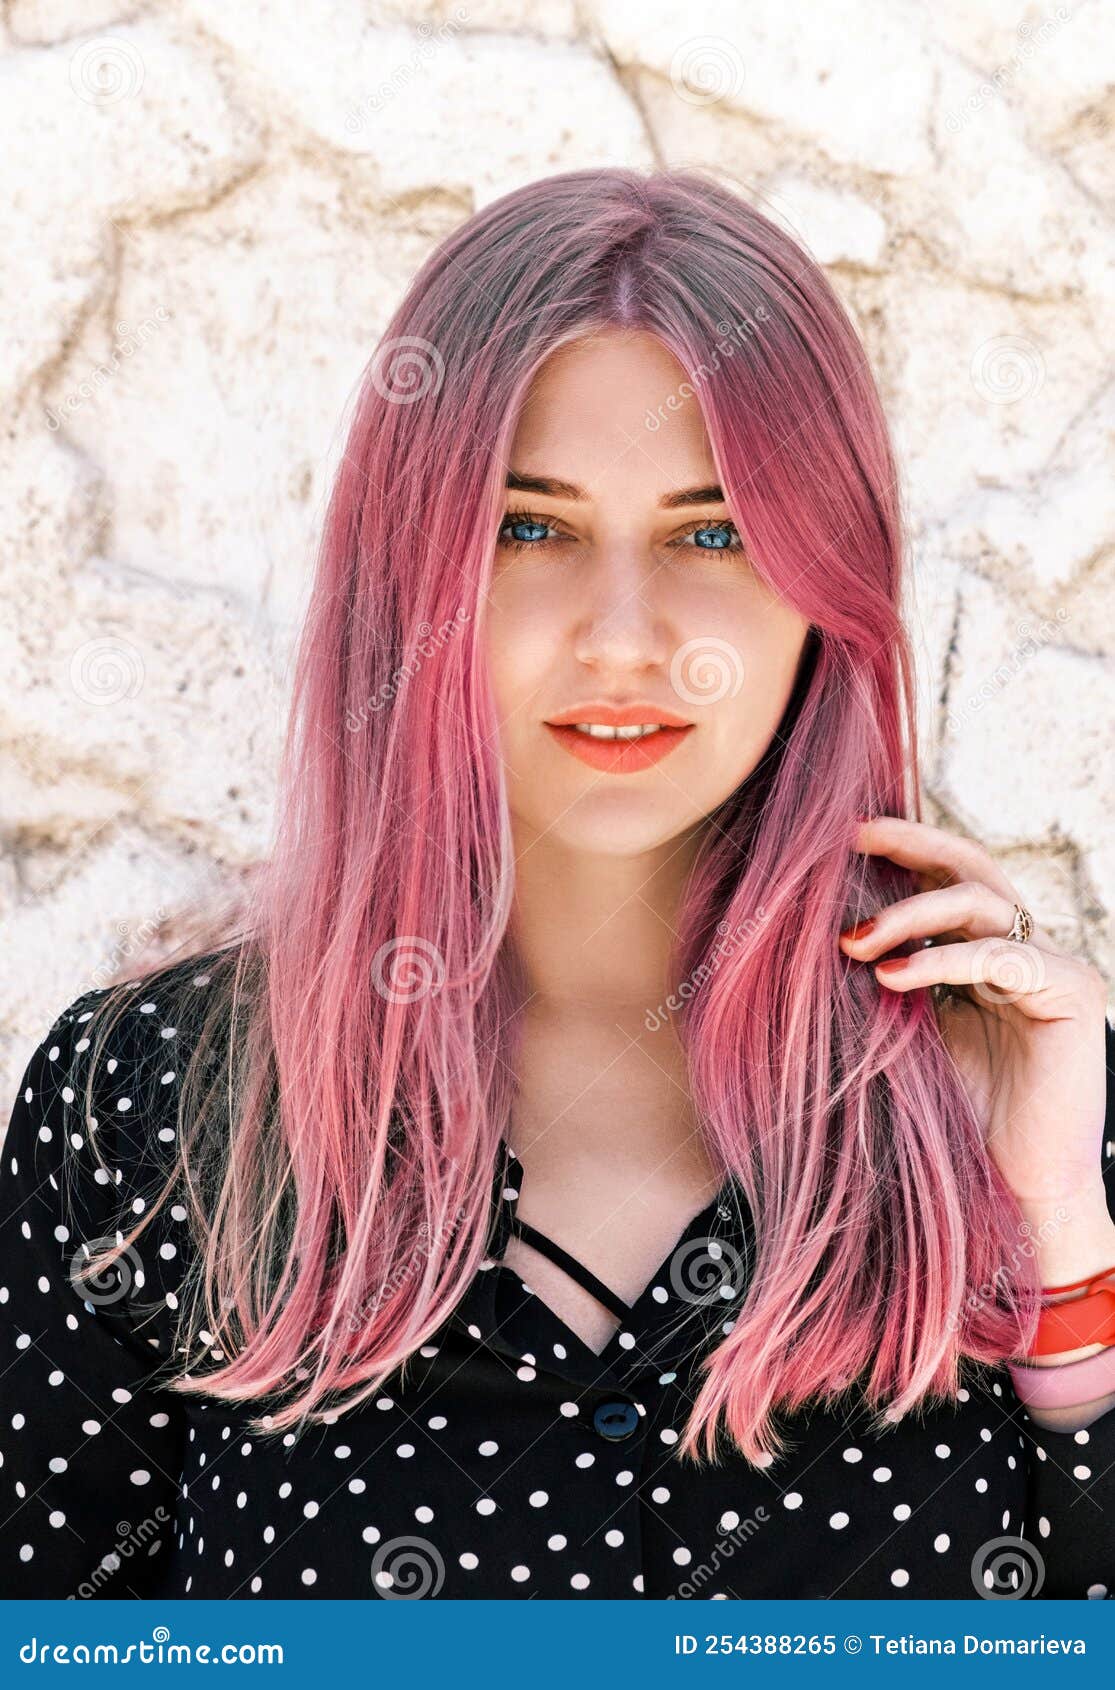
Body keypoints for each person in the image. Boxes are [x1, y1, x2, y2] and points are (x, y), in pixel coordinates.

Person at [2, 167, 1113, 1602]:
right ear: (414, 572)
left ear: (824, 584)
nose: (623, 638)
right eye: (532, 527)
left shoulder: (1030, 1087)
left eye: (712, 534)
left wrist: (1061, 1238)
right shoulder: (142, 1101)